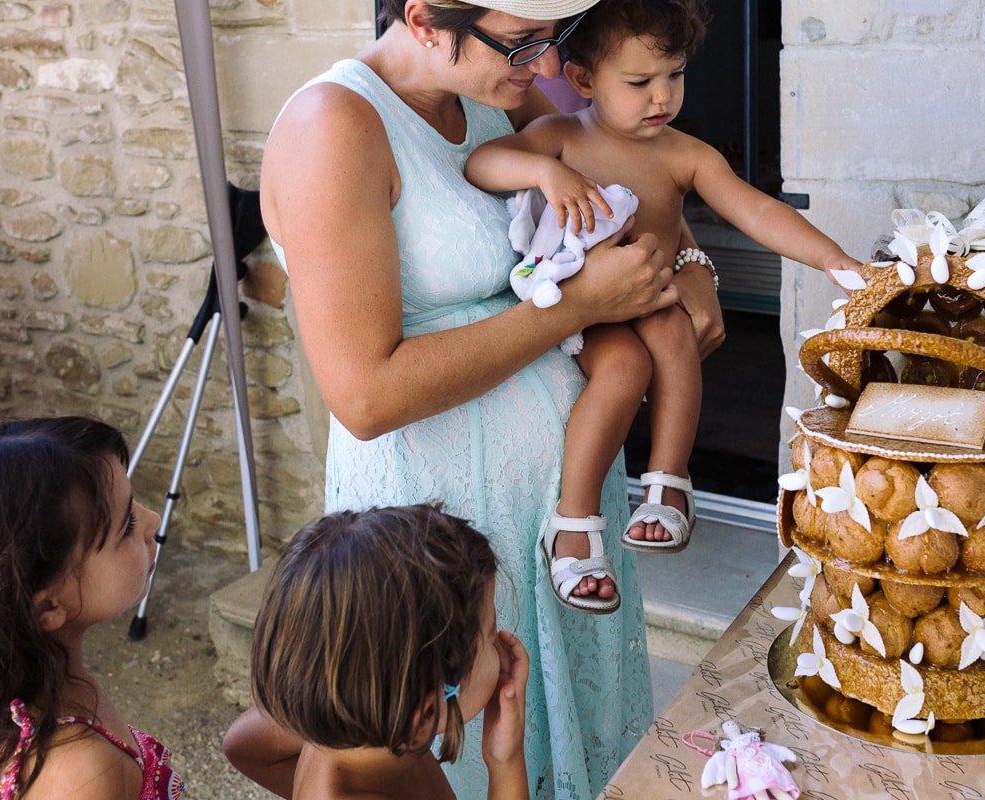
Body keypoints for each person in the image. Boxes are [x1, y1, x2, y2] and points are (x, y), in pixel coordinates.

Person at [224, 0, 726, 796]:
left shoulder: (504, 92)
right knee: (486, 733)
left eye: (552, 38)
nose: (552, 68)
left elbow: (635, 175)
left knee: (579, 727)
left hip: (564, 513)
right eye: (525, 40)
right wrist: (578, 308)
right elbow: (365, 394)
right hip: (442, 523)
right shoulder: (334, 125)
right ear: (424, 19)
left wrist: (693, 262)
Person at [464, 0, 861, 590]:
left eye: (674, 75)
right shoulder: (559, 138)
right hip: (580, 307)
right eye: (640, 81)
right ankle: (573, 520)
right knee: (622, 373)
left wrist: (832, 258)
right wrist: (544, 173)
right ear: (583, 80)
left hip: (649, 294)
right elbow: (481, 164)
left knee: (674, 331)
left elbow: (754, 209)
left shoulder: (684, 154)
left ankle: (668, 482)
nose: (662, 97)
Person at [240, 504, 529, 800]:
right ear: (425, 714)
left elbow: (241, 745)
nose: (501, 640)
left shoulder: (348, 721)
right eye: (491, 633)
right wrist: (505, 763)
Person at [0, 417, 186, 800]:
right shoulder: (78, 774)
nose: (153, 521)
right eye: (127, 524)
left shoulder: (40, 688)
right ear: (48, 605)